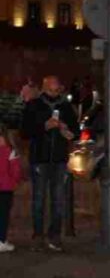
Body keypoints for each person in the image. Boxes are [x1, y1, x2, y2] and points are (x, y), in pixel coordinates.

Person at [21, 76, 78, 252]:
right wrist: (44, 126)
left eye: (57, 90)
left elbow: (75, 131)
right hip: (40, 159)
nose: (55, 93)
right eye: (51, 90)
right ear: (44, 88)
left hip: (59, 160)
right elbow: (25, 131)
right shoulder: (34, 105)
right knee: (38, 199)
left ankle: (54, 236)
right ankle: (38, 235)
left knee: (58, 200)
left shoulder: (65, 107)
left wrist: (65, 130)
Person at [0, 123, 23, 252]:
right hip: (5, 188)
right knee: (3, 216)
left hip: (6, 187)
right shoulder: (10, 151)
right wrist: (14, 182)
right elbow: (16, 171)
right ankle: (1, 240)